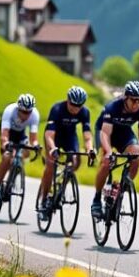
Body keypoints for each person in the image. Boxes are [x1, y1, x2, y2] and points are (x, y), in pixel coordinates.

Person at [91, 81, 139, 220]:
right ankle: (96, 198)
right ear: (126, 98)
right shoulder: (113, 107)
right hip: (105, 131)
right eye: (133, 100)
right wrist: (108, 151)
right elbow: (105, 133)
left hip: (124, 133)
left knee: (135, 157)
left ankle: (121, 190)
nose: (137, 104)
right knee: (106, 162)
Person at [37, 86, 94, 222]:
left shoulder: (84, 112)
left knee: (76, 161)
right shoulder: (57, 109)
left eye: (79, 106)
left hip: (70, 137)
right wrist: (52, 148)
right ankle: (44, 200)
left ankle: (64, 181)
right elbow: (49, 134)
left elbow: (87, 135)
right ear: (67, 100)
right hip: (53, 137)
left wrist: (90, 149)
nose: (75, 108)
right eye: (73, 104)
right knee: (50, 166)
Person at [0, 93, 40, 204]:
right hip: (8, 133)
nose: (26, 115)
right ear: (18, 108)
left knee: (26, 152)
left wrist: (35, 145)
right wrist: (6, 144)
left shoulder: (35, 115)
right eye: (23, 112)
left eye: (29, 112)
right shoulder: (10, 111)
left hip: (21, 134)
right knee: (7, 157)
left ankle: (15, 170)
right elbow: (4, 135)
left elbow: (33, 138)